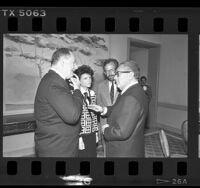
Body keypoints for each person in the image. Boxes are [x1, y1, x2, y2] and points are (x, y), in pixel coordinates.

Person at [88, 60, 148, 157]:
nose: (115, 77)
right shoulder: (132, 91)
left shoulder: (131, 97)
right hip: (129, 147)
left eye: (118, 74)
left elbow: (121, 132)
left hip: (124, 151)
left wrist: (105, 130)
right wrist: (104, 110)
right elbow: (120, 109)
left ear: (130, 75)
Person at [34, 48, 83, 157]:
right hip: (58, 148)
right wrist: (77, 90)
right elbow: (73, 115)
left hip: (61, 145)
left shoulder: (54, 80)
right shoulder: (54, 83)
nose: (76, 67)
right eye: (73, 63)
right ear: (63, 63)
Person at [95, 58, 120, 156]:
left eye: (112, 69)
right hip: (105, 124)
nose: (109, 73)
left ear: (117, 70)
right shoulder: (100, 86)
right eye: (106, 71)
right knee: (107, 152)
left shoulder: (123, 85)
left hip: (120, 125)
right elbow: (100, 106)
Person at [74, 65, 99, 157]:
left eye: (89, 77)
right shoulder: (75, 95)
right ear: (79, 81)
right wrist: (79, 137)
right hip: (81, 133)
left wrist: (96, 132)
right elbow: (76, 117)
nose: (89, 80)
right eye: (85, 78)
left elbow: (94, 115)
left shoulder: (92, 94)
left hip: (91, 132)